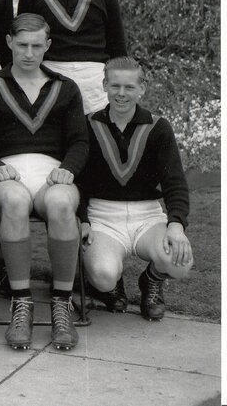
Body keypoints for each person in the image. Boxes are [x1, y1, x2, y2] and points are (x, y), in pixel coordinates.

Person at [0, 14, 89, 352]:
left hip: (52, 171)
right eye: (22, 45)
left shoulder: (65, 88)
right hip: (8, 173)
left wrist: (68, 168)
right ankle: (21, 304)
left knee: (62, 204)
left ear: (48, 46)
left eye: (37, 46)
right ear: (9, 43)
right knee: (15, 202)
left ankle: (61, 304)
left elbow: (80, 141)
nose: (28, 52)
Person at [79, 57, 192, 320]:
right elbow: (79, 181)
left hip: (148, 216)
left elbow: (174, 181)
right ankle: (111, 285)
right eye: (115, 85)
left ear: (142, 88)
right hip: (103, 217)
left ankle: (151, 281)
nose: (121, 93)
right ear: (104, 85)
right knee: (104, 275)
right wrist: (82, 218)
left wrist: (176, 224)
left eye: (129, 87)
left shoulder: (158, 127)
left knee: (181, 264)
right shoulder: (88, 124)